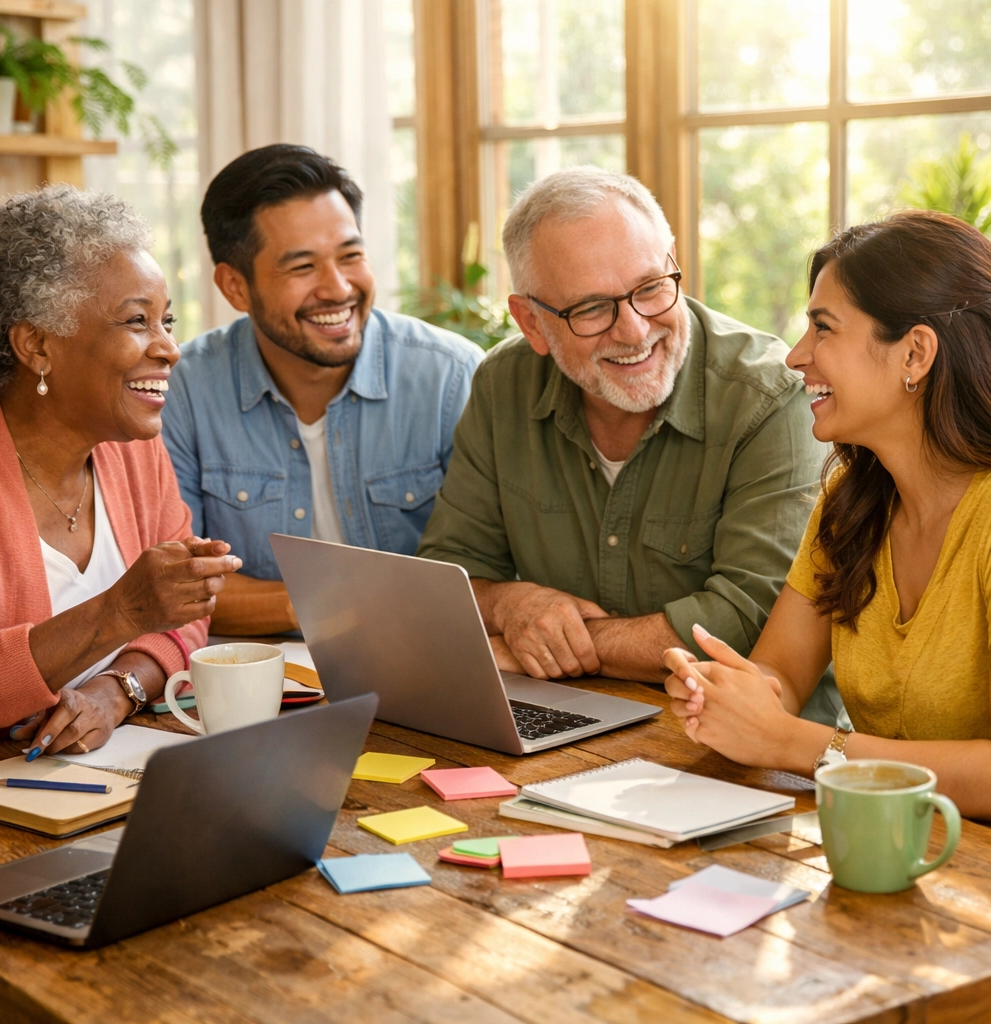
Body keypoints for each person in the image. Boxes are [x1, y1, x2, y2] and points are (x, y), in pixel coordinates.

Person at [418, 165, 840, 723]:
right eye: (592, 308)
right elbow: (446, 576)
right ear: (532, 323)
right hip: (569, 730)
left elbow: (747, 619)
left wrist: (561, 648)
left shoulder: (768, 398)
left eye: (650, 289)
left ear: (672, 264)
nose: (636, 331)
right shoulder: (504, 385)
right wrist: (514, 604)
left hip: (748, 754)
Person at [663, 210, 991, 818]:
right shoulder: (851, 501)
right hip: (874, 845)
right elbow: (782, 673)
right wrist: (732, 695)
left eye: (823, 329)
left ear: (914, 353)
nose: (796, 356)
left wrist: (796, 744)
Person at [161, 144, 484, 636]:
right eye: (302, 267)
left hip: (429, 661)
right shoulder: (182, 393)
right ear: (234, 287)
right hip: (262, 679)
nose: (337, 289)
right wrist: (328, 608)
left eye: (351, 255)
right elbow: (174, 588)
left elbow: (490, 574)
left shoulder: (451, 378)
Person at [0, 186, 241, 753]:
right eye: (136, 321)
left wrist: (116, 693)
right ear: (37, 345)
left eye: (167, 321)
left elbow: (184, 618)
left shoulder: (132, 450)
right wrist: (120, 611)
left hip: (99, 780)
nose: (169, 348)